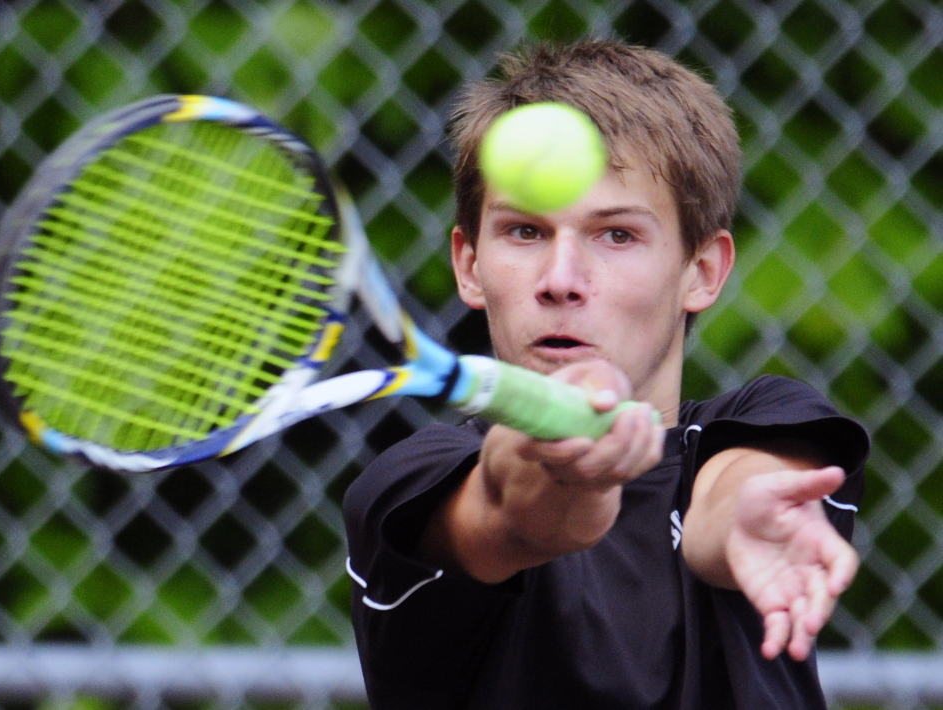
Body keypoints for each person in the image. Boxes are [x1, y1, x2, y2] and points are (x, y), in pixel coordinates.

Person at [343, 38, 869, 709]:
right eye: (526, 232)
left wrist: (743, 522)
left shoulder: (766, 426)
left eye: (616, 235)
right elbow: (517, 508)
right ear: (469, 263)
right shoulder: (408, 486)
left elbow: (729, 499)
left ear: (701, 271)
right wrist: (563, 460)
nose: (561, 280)